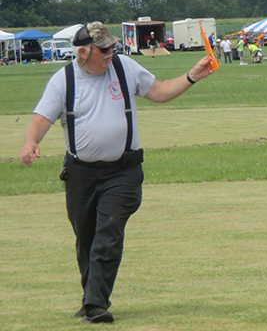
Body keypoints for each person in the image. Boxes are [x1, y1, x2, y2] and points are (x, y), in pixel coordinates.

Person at [19, 22, 213, 324]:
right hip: (80, 174)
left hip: (123, 172)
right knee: (86, 240)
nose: (112, 52)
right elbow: (42, 119)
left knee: (107, 235)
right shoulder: (64, 80)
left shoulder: (125, 68)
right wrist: (31, 142)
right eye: (104, 48)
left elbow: (159, 92)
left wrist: (191, 76)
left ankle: (96, 304)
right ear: (83, 53)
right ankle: (90, 297)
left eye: (112, 46)